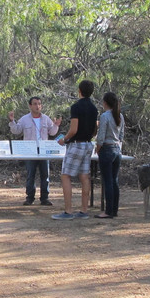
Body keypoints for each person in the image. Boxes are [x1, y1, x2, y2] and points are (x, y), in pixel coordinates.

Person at [52, 79, 98, 220]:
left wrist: (64, 139)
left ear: (79, 91)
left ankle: (68, 211)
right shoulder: (94, 108)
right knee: (84, 176)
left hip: (76, 144)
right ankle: (84, 210)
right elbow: (95, 130)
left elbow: (73, 129)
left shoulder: (76, 107)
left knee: (66, 175)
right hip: (88, 144)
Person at [8, 97, 62, 205]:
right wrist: (12, 121)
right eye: (35, 104)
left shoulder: (46, 119)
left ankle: (44, 198)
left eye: (39, 104)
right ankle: (30, 198)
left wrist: (56, 125)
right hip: (30, 150)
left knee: (45, 175)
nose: (37, 106)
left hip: (44, 150)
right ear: (30, 106)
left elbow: (52, 133)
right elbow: (16, 130)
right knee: (30, 174)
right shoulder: (24, 119)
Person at [94, 92, 124, 219]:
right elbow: (122, 135)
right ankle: (114, 209)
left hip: (107, 148)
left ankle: (108, 211)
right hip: (117, 149)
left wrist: (98, 148)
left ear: (105, 103)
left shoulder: (105, 116)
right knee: (114, 180)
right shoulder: (120, 116)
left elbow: (101, 136)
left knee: (108, 181)